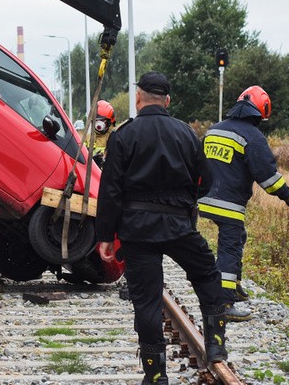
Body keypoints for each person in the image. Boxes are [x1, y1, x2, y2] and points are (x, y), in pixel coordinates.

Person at [96, 71, 227, 384]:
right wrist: (184, 203)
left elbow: (110, 191)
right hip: (179, 226)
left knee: (146, 300)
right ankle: (216, 344)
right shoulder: (186, 134)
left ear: (139, 98)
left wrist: (105, 236)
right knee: (207, 273)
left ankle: (156, 375)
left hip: (137, 231)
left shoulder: (124, 136)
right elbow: (206, 181)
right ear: (167, 101)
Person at [198, 85, 289, 322]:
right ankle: (224, 302)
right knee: (229, 248)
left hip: (203, 199)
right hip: (229, 204)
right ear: (260, 113)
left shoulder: (213, 130)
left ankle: (236, 284)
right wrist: (288, 196)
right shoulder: (252, 136)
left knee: (238, 237)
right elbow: (268, 178)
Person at [84, 99, 116, 168]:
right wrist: (92, 160)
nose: (99, 124)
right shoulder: (88, 138)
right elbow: (81, 159)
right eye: (96, 120)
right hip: (93, 175)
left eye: (102, 120)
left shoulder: (115, 137)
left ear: (110, 121)